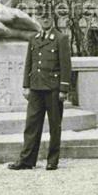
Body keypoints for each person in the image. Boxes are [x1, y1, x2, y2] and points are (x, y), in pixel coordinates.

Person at [8, 14, 72, 171]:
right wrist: (26, 86)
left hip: (53, 89)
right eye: (42, 17)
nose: (45, 20)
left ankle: (52, 161)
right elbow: (28, 63)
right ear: (38, 19)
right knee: (31, 126)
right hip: (36, 89)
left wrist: (63, 89)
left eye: (48, 17)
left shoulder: (61, 38)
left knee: (54, 127)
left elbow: (66, 65)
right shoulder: (33, 38)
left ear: (53, 18)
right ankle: (27, 161)